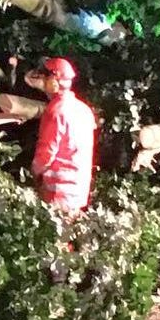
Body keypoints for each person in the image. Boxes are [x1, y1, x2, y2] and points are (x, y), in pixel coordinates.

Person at [29, 57, 97, 216]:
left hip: (57, 191)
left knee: (52, 237)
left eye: (45, 78)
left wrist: (33, 171)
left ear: (53, 81)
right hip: (78, 191)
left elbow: (46, 153)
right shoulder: (85, 110)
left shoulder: (55, 111)